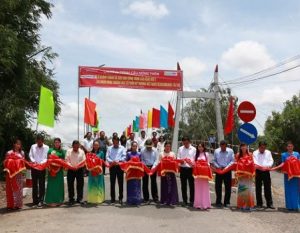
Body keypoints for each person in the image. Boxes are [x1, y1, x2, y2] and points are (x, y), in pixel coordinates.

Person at [212, 140, 234, 208]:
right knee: (218, 186)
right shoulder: (216, 151)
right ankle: (218, 201)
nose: (222, 148)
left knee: (228, 187)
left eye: (224, 147)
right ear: (220, 146)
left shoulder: (230, 151)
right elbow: (214, 160)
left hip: (227, 170)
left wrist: (226, 168)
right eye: (221, 147)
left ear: (226, 146)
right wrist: (218, 166)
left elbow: (232, 161)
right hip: (219, 170)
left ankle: (226, 202)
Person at [29, 134, 49, 207]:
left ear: (43, 141)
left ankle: (41, 200)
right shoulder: (33, 146)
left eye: (40, 142)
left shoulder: (47, 147)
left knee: (41, 184)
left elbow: (46, 157)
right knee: (34, 184)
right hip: (34, 167)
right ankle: (35, 200)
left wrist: (41, 163)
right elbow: (30, 155)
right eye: (38, 142)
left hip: (42, 168)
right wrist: (34, 161)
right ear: (36, 141)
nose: (39, 143)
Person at [45, 138, 66, 206]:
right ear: (54, 143)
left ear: (60, 143)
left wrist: (59, 163)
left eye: (58, 142)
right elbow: (48, 160)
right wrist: (49, 168)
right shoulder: (50, 150)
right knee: (51, 186)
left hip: (59, 171)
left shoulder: (62, 151)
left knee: (58, 186)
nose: (57, 143)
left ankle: (59, 201)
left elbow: (64, 160)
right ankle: (50, 201)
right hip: (51, 170)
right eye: (55, 142)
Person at [253, 141, 274, 209]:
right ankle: (259, 203)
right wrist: (261, 167)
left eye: (264, 148)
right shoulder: (255, 153)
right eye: (262, 148)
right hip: (258, 171)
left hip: (266, 171)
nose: (263, 149)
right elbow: (254, 161)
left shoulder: (268, 152)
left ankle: (269, 204)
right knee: (258, 188)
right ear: (259, 147)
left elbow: (271, 160)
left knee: (267, 188)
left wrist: (268, 166)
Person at [5, 139, 25, 210]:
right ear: (14, 144)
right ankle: (11, 205)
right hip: (11, 174)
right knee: (11, 189)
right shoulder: (9, 152)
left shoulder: (22, 153)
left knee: (19, 189)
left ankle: (18, 205)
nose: (18, 145)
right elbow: (6, 162)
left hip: (19, 174)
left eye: (19, 144)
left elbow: (23, 162)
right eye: (17, 144)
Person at [157, 141, 179, 206]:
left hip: (171, 172)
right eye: (167, 146)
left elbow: (175, 162)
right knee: (164, 186)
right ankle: (164, 200)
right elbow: (159, 162)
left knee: (172, 187)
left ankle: (172, 200)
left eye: (169, 146)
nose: (168, 147)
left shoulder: (173, 154)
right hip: (164, 173)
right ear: (164, 147)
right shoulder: (161, 154)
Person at [106, 136, 126, 204]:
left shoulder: (122, 148)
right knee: (112, 183)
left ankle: (120, 198)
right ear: (113, 142)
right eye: (114, 142)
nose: (116, 144)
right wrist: (112, 161)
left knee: (120, 183)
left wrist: (119, 161)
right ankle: (113, 198)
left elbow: (124, 156)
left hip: (120, 166)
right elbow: (107, 157)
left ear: (118, 142)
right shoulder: (109, 148)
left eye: (117, 142)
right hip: (112, 166)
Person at [177, 136, 196, 206]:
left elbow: (195, 159)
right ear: (182, 142)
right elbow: (178, 157)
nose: (185, 144)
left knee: (192, 185)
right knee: (183, 185)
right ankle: (184, 201)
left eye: (187, 143)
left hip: (191, 169)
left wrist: (191, 162)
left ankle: (192, 200)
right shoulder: (180, 148)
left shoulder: (194, 149)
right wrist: (180, 161)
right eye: (184, 143)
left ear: (189, 142)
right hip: (183, 169)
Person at [65, 140, 86, 205]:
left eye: (77, 147)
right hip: (71, 170)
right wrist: (72, 166)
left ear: (79, 146)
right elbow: (66, 160)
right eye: (75, 147)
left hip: (79, 170)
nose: (76, 148)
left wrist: (78, 166)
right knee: (70, 184)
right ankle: (71, 199)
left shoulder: (82, 152)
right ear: (72, 146)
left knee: (80, 184)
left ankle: (79, 199)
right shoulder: (68, 151)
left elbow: (84, 160)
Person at [281, 141, 300, 211]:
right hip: (287, 176)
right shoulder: (283, 155)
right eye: (288, 146)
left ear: (293, 147)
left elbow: (299, 163)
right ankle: (289, 206)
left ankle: (297, 206)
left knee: (296, 191)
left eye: (291, 146)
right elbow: (283, 164)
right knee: (288, 191)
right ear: (286, 147)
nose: (290, 147)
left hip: (296, 176)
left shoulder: (297, 154)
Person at [236, 143, 255, 210]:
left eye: (245, 146)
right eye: (242, 146)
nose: (243, 148)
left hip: (248, 176)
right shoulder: (238, 155)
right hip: (241, 176)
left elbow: (252, 164)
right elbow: (237, 165)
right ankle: (241, 205)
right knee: (242, 190)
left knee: (249, 190)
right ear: (240, 148)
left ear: (247, 147)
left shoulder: (250, 154)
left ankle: (249, 205)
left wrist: (252, 174)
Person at [194, 143, 211, 210]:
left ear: (204, 147)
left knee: (205, 189)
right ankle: (198, 204)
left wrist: (205, 165)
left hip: (204, 175)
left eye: (201, 147)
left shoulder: (206, 154)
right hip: (198, 175)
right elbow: (194, 163)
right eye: (199, 147)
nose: (200, 148)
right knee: (198, 189)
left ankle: (205, 204)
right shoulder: (196, 155)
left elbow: (208, 163)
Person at [141, 139, 159, 203]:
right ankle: (146, 198)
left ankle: (155, 197)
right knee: (145, 183)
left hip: (153, 167)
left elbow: (157, 160)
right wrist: (145, 166)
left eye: (150, 147)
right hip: (145, 167)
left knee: (153, 182)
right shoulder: (142, 150)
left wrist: (153, 168)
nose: (149, 148)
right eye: (147, 147)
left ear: (152, 145)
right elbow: (142, 159)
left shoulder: (155, 150)